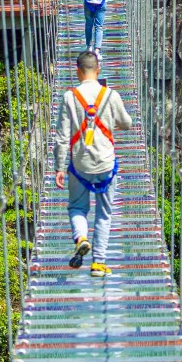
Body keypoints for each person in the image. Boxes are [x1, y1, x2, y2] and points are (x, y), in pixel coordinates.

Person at [57, 49, 133, 275]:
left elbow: (62, 137)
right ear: (98, 70)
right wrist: (110, 123)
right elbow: (126, 123)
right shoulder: (111, 95)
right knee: (104, 213)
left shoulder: (69, 97)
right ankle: (98, 263)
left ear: (77, 71)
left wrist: (60, 168)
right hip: (106, 166)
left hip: (79, 166)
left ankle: (81, 237)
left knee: (77, 207)